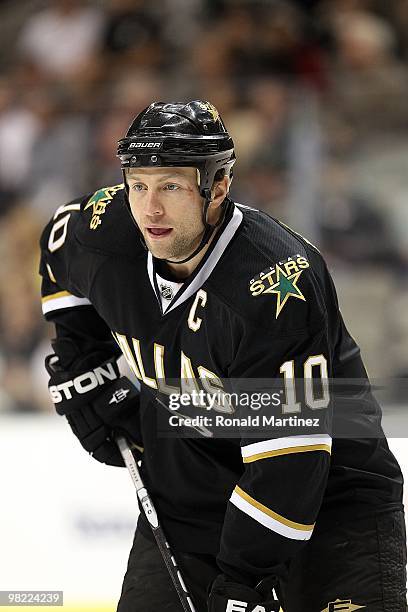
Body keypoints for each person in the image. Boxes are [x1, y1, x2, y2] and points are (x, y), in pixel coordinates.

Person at [39, 100, 406, 612]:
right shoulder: (106, 232)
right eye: (138, 184)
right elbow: (57, 248)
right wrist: (82, 360)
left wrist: (242, 586)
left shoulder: (276, 285)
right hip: (190, 499)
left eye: (170, 186)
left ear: (217, 187)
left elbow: (291, 461)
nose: (149, 210)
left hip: (330, 504)